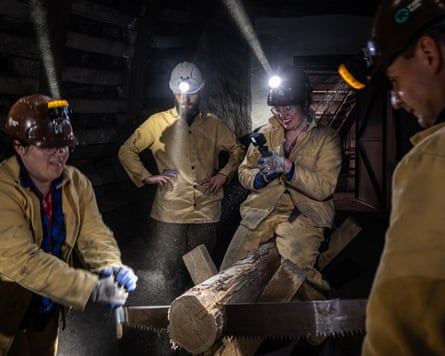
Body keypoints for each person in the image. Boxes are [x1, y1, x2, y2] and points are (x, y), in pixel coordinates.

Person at [0, 94, 138, 356]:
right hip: (6, 319)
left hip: (47, 314)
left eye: (64, 145)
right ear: (20, 146)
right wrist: (91, 288)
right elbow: (24, 261)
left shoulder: (76, 183)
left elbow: (94, 234)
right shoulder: (3, 190)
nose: (60, 154)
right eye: (48, 146)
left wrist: (110, 265)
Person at [348, 0, 445, 354]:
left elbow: (401, 327)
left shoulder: (434, 161)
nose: (395, 101)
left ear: (429, 54)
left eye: (394, 81)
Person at [118, 61, 245, 302]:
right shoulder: (157, 123)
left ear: (201, 91)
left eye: (191, 93)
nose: (185, 98)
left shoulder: (213, 123)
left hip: (205, 212)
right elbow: (127, 150)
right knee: (170, 270)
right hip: (170, 213)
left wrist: (224, 174)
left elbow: (237, 149)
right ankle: (171, 318)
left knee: (202, 271)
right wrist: (146, 176)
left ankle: (201, 317)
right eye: (180, 92)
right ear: (172, 91)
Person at [220, 65, 342, 300]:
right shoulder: (264, 133)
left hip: (304, 215)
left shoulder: (326, 138)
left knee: (295, 269)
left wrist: (288, 167)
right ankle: (234, 331)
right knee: (229, 271)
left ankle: (322, 323)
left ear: (305, 104)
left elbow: (324, 187)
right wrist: (259, 178)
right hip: (260, 211)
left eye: (288, 108)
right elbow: (244, 171)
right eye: (277, 109)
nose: (282, 115)